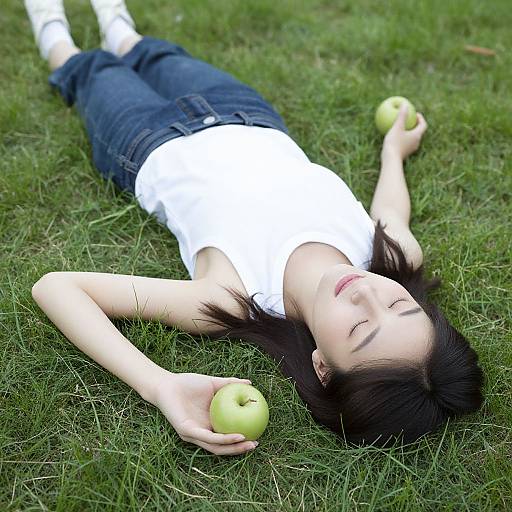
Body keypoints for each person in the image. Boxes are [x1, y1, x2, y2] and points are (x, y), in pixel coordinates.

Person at [26, 0, 484, 455]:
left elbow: (57, 287)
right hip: (246, 113)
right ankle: (115, 20)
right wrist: (393, 154)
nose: (367, 293)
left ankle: (52, 28)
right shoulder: (390, 254)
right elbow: (390, 209)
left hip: (143, 139)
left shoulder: (234, 296)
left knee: (92, 71)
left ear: (322, 366)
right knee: (155, 54)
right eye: (400, 304)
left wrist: (158, 384)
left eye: (360, 326)